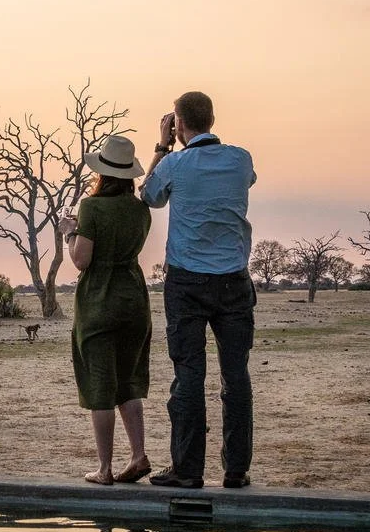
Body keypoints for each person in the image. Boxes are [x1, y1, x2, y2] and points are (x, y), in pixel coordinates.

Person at [139, 91, 257, 489]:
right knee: (235, 376)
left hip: (187, 280)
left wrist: (162, 145)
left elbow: (149, 196)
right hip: (234, 280)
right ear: (212, 118)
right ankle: (235, 469)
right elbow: (248, 183)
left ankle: (188, 470)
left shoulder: (174, 162)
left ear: (179, 123)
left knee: (188, 375)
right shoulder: (241, 159)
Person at [59, 135, 152, 486]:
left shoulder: (92, 207)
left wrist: (70, 232)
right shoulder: (140, 209)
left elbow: (82, 260)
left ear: (101, 171)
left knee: (100, 387)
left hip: (100, 300)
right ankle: (138, 455)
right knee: (127, 382)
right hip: (134, 299)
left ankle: (104, 468)